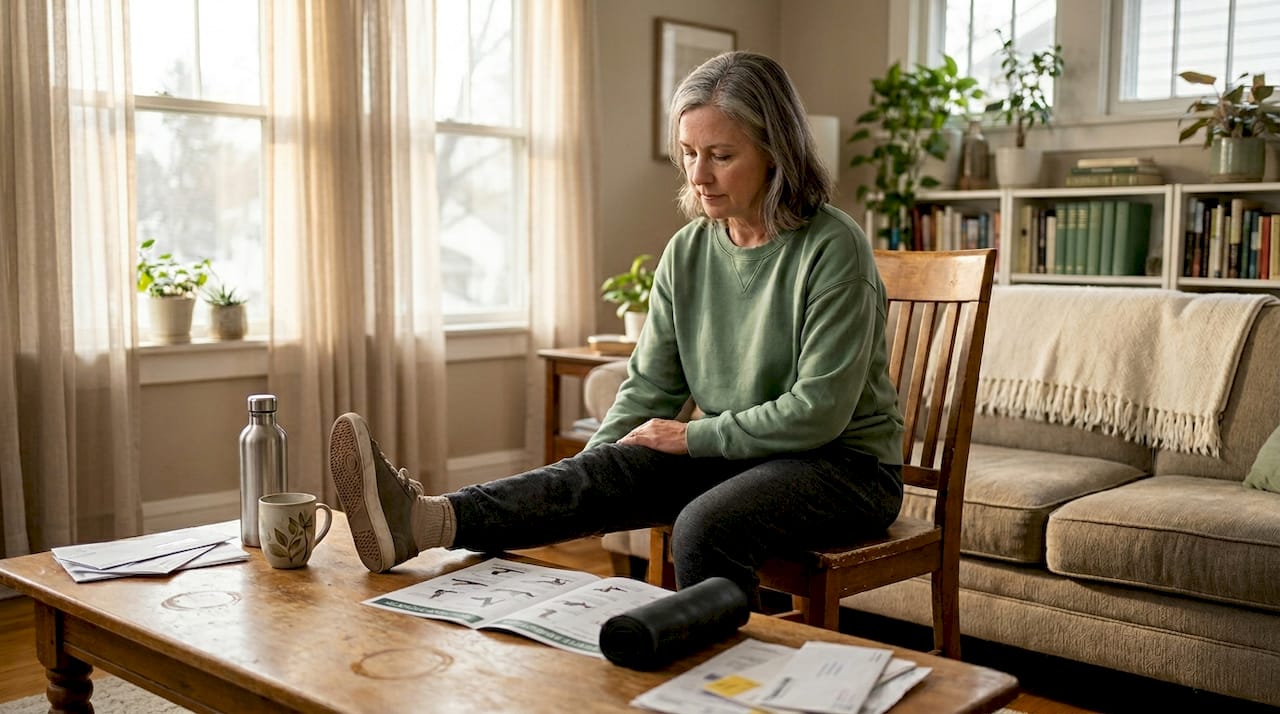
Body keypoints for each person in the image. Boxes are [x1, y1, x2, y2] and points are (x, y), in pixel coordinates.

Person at [328, 50, 904, 609]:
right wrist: (597, 474)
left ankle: (727, 690)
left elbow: (819, 410)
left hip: (844, 467)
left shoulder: (833, 247)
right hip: (745, 456)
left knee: (704, 528)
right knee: (605, 467)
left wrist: (693, 437)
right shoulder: (688, 251)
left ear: (776, 153)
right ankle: (426, 520)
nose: (699, 176)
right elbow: (651, 386)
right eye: (688, 154)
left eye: (721, 155)